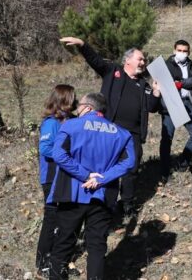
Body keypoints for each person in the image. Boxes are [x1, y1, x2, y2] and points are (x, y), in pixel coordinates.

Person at [59, 37, 160, 218]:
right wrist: (83, 45)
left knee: (131, 167)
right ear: (127, 60)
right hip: (109, 129)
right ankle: (107, 203)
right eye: (140, 59)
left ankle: (127, 203)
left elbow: (151, 107)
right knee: (108, 167)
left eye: (144, 60)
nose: (143, 62)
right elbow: (95, 61)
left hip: (133, 134)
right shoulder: (113, 71)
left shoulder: (143, 83)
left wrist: (156, 92)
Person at [47, 93, 136, 280]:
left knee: (63, 243)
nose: (76, 108)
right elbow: (129, 162)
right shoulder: (122, 133)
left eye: (79, 105)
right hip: (102, 196)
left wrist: (85, 175)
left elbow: (59, 155)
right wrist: (102, 179)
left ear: (88, 108)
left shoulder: (70, 126)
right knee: (96, 247)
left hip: (72, 194)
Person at [35, 85, 76, 275]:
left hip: (69, 177)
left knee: (66, 219)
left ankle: (60, 259)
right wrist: (66, 155)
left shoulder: (73, 120)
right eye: (71, 98)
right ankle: (43, 261)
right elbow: (45, 149)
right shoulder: (51, 123)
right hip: (52, 177)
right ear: (62, 100)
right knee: (51, 218)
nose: (74, 102)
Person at [159, 39, 192, 180]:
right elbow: (163, 84)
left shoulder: (191, 64)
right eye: (179, 50)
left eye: (185, 51)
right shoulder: (165, 65)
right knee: (167, 138)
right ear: (174, 50)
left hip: (188, 102)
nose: (182, 53)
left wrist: (181, 83)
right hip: (171, 104)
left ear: (188, 52)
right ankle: (164, 171)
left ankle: (183, 162)